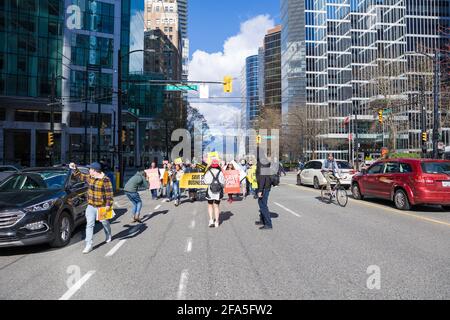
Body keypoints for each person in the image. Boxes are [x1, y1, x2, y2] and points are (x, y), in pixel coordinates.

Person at [69, 162, 113, 254]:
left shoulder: (105, 180)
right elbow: (80, 176)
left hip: (101, 206)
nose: (89, 170)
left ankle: (108, 234)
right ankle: (88, 245)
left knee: (104, 222)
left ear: (95, 170)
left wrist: (109, 205)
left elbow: (109, 194)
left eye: (90, 169)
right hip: (90, 206)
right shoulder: (90, 177)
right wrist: (74, 168)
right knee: (89, 225)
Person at [203, 159, 225, 228]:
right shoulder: (220, 172)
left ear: (211, 165)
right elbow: (223, 182)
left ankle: (211, 220)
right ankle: (217, 222)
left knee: (210, 205)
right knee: (216, 206)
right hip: (218, 191)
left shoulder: (208, 172)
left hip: (210, 191)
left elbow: (206, 181)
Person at [255, 159, 273, 230]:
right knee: (261, 203)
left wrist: (260, 190)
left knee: (263, 205)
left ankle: (268, 224)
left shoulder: (262, 163)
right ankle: (262, 220)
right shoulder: (263, 162)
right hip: (264, 187)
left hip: (264, 188)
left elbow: (263, 178)